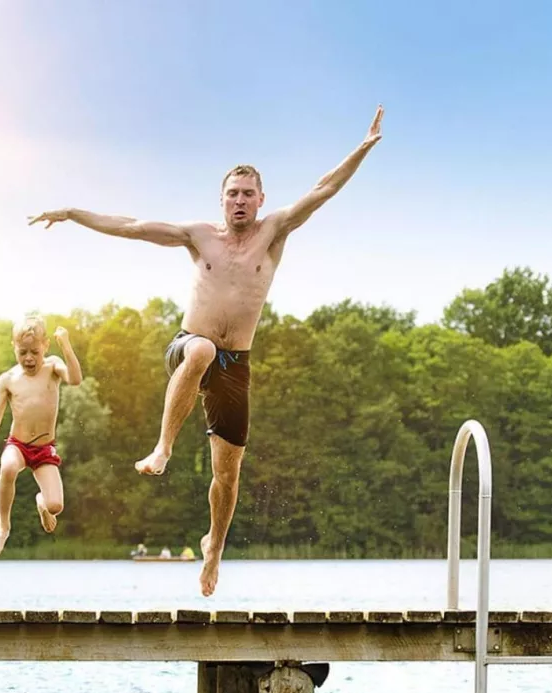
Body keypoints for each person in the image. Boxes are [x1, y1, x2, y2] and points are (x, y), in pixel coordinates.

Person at [28, 106, 384, 595]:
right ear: (221, 200)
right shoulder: (199, 237)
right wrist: (73, 213)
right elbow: (132, 225)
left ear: (261, 200)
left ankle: (213, 546)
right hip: (188, 345)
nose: (240, 201)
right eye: (232, 194)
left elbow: (324, 189)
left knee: (227, 474)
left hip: (237, 363)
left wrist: (362, 148)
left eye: (247, 194)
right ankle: (163, 448)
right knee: (201, 353)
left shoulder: (274, 231)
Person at [0, 316, 83, 555]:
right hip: (18, 445)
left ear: (45, 346)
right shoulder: (8, 380)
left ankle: (41, 504)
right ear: (14, 347)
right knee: (9, 467)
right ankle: (3, 528)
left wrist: (66, 345)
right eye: (23, 352)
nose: (29, 358)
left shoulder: (53, 366)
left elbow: (75, 379)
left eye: (35, 351)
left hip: (44, 449)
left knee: (56, 506)